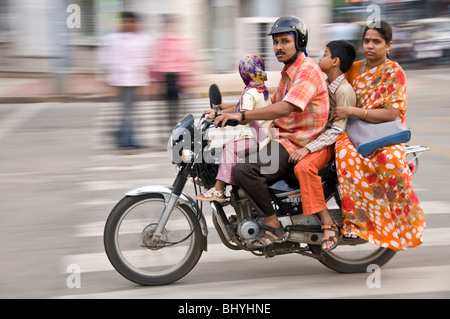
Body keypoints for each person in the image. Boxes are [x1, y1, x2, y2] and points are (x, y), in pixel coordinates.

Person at [214, 16, 329, 249]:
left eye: (284, 41)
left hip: (295, 143)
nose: (278, 47)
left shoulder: (306, 70)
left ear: (299, 42)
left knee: (245, 170)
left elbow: (285, 107)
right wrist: (223, 109)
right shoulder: (289, 70)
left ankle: (272, 223)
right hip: (282, 136)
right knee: (231, 154)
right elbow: (270, 102)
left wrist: (242, 116)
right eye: (275, 42)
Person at [333, 21, 426, 251]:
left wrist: (354, 111)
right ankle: (356, 223)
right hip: (353, 131)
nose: (370, 46)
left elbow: (391, 113)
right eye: (367, 41)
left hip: (383, 132)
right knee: (345, 155)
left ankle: (401, 224)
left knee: (391, 161)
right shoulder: (353, 69)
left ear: (388, 46)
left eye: (377, 42)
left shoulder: (394, 72)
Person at [290, 40, 357, 251]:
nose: (320, 58)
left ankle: (327, 223)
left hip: (332, 144)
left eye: (325, 55)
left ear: (335, 61)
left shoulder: (344, 90)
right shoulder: (326, 84)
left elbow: (337, 130)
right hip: (317, 138)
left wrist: (307, 148)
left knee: (303, 167)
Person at [196, 53, 272, 202]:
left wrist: (225, 117)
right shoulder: (260, 90)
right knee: (229, 145)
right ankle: (217, 179)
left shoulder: (249, 93)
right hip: (262, 136)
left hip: (255, 138)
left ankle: (218, 191)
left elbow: (242, 114)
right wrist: (219, 110)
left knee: (230, 149)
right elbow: (239, 107)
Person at [98, 12, 151, 152]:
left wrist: (144, 81)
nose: (129, 25)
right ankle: (126, 140)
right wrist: (111, 79)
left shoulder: (142, 39)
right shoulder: (114, 39)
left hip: (135, 81)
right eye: (126, 22)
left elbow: (144, 61)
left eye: (132, 22)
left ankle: (124, 137)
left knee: (131, 112)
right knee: (126, 112)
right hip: (122, 81)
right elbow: (107, 59)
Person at [151, 14, 194, 136]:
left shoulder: (180, 39)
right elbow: (158, 59)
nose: (169, 26)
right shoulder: (161, 39)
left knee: (176, 108)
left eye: (170, 23)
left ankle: (177, 133)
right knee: (168, 109)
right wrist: (157, 79)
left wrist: (186, 79)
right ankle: (172, 133)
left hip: (177, 77)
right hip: (166, 77)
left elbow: (184, 59)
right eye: (167, 23)